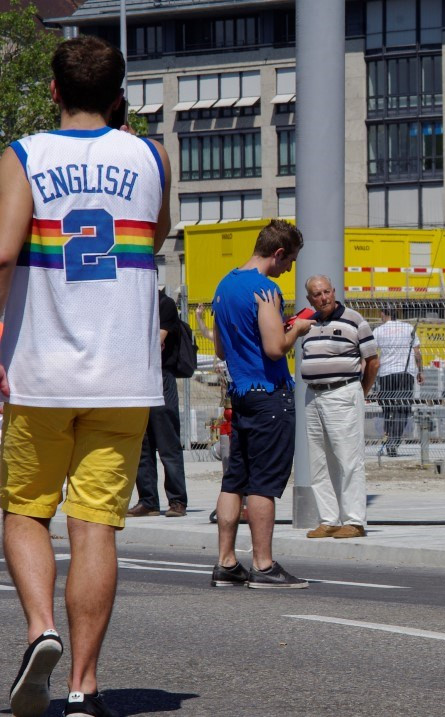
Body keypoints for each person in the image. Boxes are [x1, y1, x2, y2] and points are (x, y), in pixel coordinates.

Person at [0, 35, 171, 717]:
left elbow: (3, 252)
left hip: (39, 368)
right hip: (124, 371)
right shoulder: (151, 154)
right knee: (95, 524)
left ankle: (41, 628)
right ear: (120, 93)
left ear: (53, 90)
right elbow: (155, 235)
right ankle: (84, 686)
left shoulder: (25, 156)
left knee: (23, 511)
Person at [210, 219, 313, 589]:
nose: (289, 270)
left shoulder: (225, 285)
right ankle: (264, 566)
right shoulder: (265, 290)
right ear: (279, 253)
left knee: (233, 480)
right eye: (290, 261)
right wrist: (297, 329)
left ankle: (225, 562)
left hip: (240, 394)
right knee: (263, 484)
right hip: (269, 395)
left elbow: (221, 349)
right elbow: (274, 348)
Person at [300, 275, 379, 539]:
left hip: (343, 392)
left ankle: (354, 520)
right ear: (309, 298)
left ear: (334, 291)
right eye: (317, 294)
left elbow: (373, 361)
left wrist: (359, 390)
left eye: (326, 292)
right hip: (313, 396)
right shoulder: (308, 324)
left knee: (349, 459)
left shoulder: (354, 320)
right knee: (319, 460)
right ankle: (329, 519)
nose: (323, 298)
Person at [128, 287, 189, 519]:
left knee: (167, 445)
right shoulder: (133, 305)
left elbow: (154, 344)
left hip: (160, 376)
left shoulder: (164, 304)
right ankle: (148, 501)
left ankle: (177, 501)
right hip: (137, 378)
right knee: (141, 445)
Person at [372, 306, 423, 457]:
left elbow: (372, 355)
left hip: (386, 373)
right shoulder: (408, 328)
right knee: (403, 409)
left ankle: (388, 437)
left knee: (387, 407)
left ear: (383, 313)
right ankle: (394, 441)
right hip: (405, 372)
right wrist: (421, 371)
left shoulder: (378, 331)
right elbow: (417, 353)